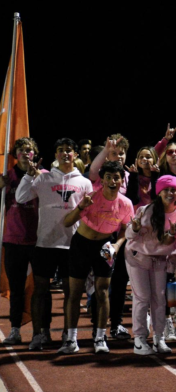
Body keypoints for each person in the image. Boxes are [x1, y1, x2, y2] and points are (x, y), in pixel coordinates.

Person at [16, 138, 93, 350]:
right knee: (40, 291)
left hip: (73, 245)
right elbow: (21, 197)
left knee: (72, 293)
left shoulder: (85, 183)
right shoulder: (43, 178)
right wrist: (28, 177)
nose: (65, 154)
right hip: (45, 243)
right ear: (55, 155)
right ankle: (40, 334)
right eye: (60, 150)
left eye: (69, 150)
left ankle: (69, 336)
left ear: (76, 155)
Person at [60, 161, 134, 354]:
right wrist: (79, 208)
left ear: (121, 180)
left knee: (102, 292)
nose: (112, 181)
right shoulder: (91, 197)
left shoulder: (126, 204)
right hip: (81, 245)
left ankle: (100, 338)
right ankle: (71, 340)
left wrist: (116, 246)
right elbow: (67, 222)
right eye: (108, 177)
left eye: (116, 177)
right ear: (102, 180)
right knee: (75, 293)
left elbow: (126, 230)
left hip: (105, 246)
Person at [125, 175, 176, 355]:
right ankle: (139, 339)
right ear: (159, 192)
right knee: (142, 297)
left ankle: (159, 337)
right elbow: (130, 235)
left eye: (174, 189)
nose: (171, 193)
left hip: (161, 259)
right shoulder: (147, 210)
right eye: (166, 189)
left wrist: (173, 263)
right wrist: (134, 228)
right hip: (138, 257)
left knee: (160, 299)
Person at [0, 138, 42, 345]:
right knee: (16, 288)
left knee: (40, 288)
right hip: (13, 240)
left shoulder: (42, 176)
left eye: (30, 150)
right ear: (15, 154)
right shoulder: (6, 177)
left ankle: (41, 331)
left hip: (38, 241)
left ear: (35, 154)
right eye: (22, 150)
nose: (26, 153)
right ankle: (15, 329)